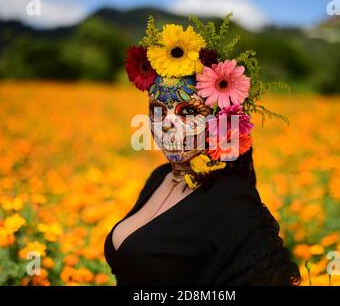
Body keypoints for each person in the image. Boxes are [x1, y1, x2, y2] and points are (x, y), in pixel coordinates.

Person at [104, 15, 301, 286]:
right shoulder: (159, 177)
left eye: (187, 111)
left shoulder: (233, 198)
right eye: (157, 111)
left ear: (220, 119)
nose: (168, 125)